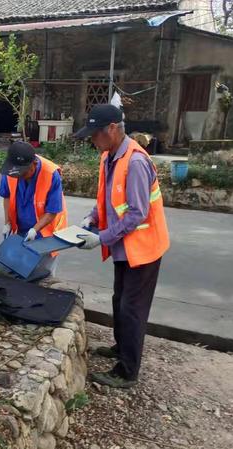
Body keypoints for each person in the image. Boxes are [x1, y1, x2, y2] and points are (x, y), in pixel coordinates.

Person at [76, 104, 170, 388]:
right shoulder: (109, 156)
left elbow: (137, 213)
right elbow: (107, 197)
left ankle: (127, 371)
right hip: (125, 248)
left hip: (144, 249)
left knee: (132, 309)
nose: (93, 140)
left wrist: (102, 238)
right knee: (120, 301)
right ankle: (121, 346)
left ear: (113, 130)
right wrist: (91, 217)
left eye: (95, 135)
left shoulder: (137, 162)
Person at [0, 141, 68, 274]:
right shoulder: (11, 171)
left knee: (42, 274)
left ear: (34, 164)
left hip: (47, 233)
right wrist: (7, 222)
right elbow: (6, 196)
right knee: (19, 270)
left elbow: (52, 211)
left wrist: (34, 230)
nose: (19, 177)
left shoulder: (51, 174)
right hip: (21, 230)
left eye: (23, 174)